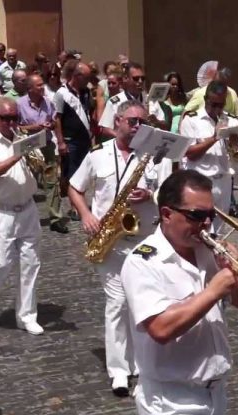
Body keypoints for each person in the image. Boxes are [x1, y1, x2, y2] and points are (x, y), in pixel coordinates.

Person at [121, 169, 238, 415]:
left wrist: (235, 273)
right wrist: (213, 290)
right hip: (171, 403)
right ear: (166, 214)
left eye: (210, 215)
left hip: (215, 394)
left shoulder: (207, 251)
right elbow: (160, 328)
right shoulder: (142, 262)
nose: (206, 224)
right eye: (196, 215)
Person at [69, 100, 171, 397]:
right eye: (132, 122)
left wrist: (151, 194)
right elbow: (74, 187)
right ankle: (118, 371)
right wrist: (87, 215)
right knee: (117, 305)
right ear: (118, 121)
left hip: (146, 241)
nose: (138, 127)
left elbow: (170, 193)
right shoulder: (98, 154)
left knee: (143, 304)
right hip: (111, 242)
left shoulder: (156, 156)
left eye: (142, 122)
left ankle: (141, 364)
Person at [0, 98, 43, 335]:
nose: (12, 123)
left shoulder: (21, 136)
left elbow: (38, 165)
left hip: (28, 208)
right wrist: (18, 154)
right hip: (1, 211)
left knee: (31, 264)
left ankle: (26, 316)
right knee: (0, 263)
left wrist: (35, 160)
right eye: (7, 119)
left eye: (15, 118)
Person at [181, 81, 238, 233]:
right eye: (213, 104)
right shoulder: (191, 120)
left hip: (223, 180)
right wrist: (214, 138)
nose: (217, 109)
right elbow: (190, 154)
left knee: (220, 230)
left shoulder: (231, 121)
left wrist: (235, 143)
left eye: (221, 105)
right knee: (200, 228)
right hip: (201, 181)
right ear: (205, 99)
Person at [17, 74, 65, 234]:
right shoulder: (19, 104)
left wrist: (58, 137)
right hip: (29, 147)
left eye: (42, 84)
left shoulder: (48, 102)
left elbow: (55, 120)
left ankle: (55, 219)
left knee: (52, 182)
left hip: (47, 145)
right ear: (30, 88)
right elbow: (16, 127)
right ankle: (26, 219)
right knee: (27, 183)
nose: (42, 87)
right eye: (38, 85)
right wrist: (35, 126)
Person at [54, 62, 93, 221]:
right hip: (71, 141)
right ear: (77, 76)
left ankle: (80, 202)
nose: (88, 81)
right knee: (72, 173)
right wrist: (61, 141)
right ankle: (74, 207)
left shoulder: (86, 92)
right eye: (86, 77)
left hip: (85, 139)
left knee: (84, 174)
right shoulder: (61, 93)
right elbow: (57, 118)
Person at [98, 62, 167, 139]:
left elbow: (164, 125)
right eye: (136, 79)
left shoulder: (151, 100)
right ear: (126, 79)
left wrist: (156, 121)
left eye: (142, 78)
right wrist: (122, 138)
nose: (140, 81)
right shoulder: (115, 102)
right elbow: (104, 129)